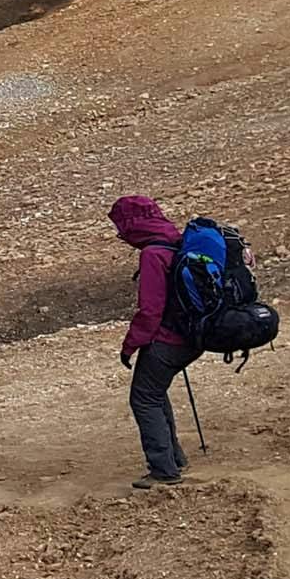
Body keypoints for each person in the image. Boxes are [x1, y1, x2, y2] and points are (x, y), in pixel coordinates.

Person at [112, 194, 202, 489]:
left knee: (144, 397)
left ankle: (164, 471)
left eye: (122, 228)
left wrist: (129, 346)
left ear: (134, 225)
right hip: (193, 336)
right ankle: (173, 458)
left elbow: (150, 310)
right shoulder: (178, 242)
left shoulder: (153, 254)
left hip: (169, 340)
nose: (121, 236)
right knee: (154, 391)